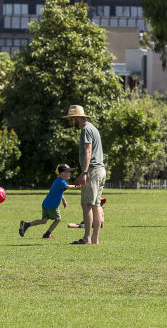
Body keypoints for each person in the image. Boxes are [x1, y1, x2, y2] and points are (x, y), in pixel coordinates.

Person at [65, 105, 106, 245]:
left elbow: (88, 151)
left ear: (76, 118)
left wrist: (84, 172)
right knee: (96, 204)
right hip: (100, 170)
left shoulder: (86, 130)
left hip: (92, 171)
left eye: (71, 118)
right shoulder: (92, 128)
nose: (71, 121)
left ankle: (87, 238)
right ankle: (94, 239)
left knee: (87, 204)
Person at [20, 164, 76, 239]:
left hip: (46, 203)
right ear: (62, 173)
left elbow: (59, 192)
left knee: (44, 221)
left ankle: (26, 225)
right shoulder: (61, 181)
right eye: (68, 171)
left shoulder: (58, 181)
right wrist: (79, 185)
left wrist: (64, 200)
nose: (70, 173)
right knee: (58, 219)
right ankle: (47, 234)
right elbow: (68, 187)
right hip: (52, 205)